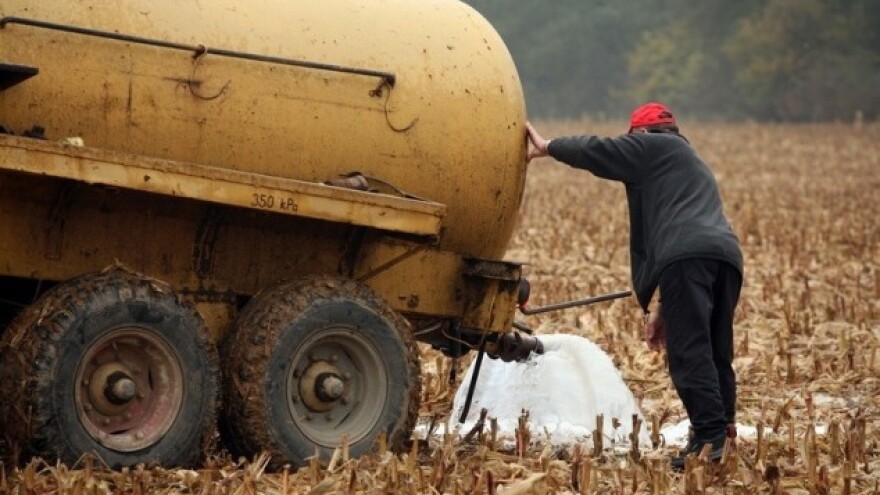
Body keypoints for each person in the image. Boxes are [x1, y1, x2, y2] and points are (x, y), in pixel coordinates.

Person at [525, 103, 743, 470]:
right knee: (715, 348)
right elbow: (689, 239)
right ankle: (724, 428)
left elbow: (599, 150)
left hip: (687, 257)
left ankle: (710, 438)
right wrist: (662, 310)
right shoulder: (689, 161)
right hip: (725, 257)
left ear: (640, 134)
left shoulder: (653, 147)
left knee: (689, 352)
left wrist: (549, 147)